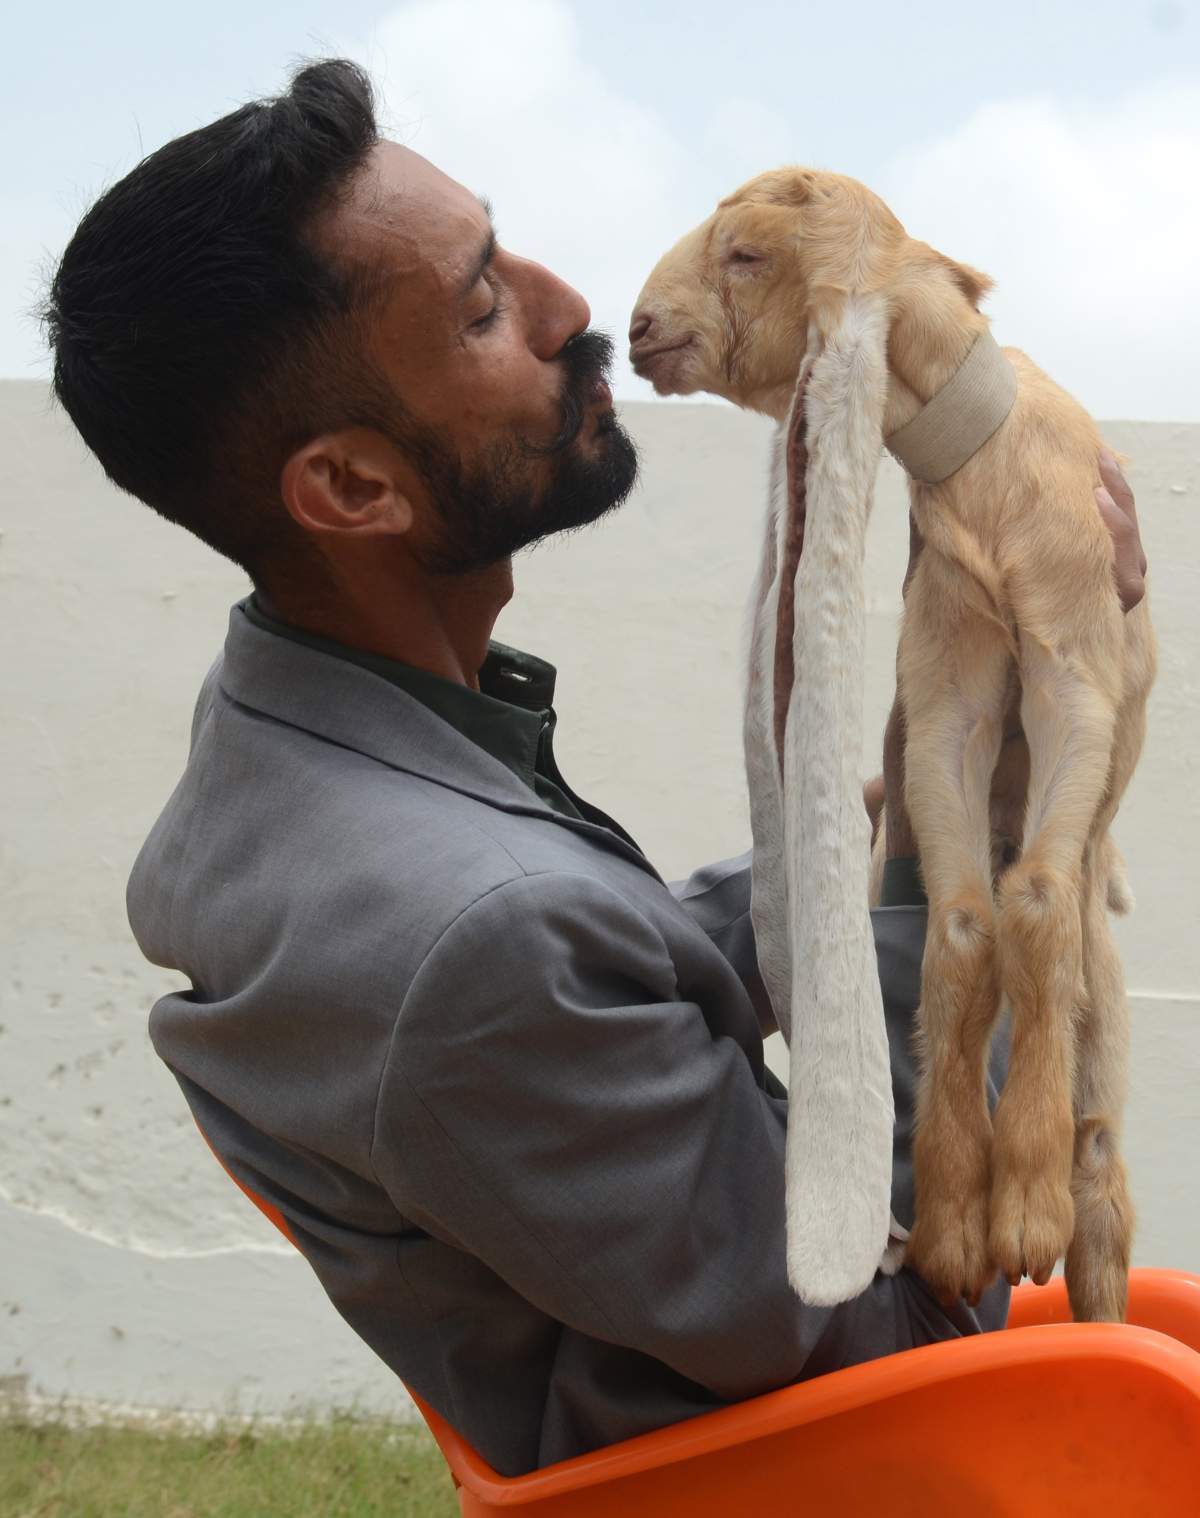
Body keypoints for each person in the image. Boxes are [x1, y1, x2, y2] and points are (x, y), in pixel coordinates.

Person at [43, 59, 1148, 1477]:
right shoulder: (465, 938)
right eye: (485, 307)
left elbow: (609, 976)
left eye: (505, 252)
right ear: (352, 489)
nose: (579, 313)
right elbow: (909, 1323)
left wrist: (916, 797)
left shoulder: (296, 764)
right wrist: (991, 823)